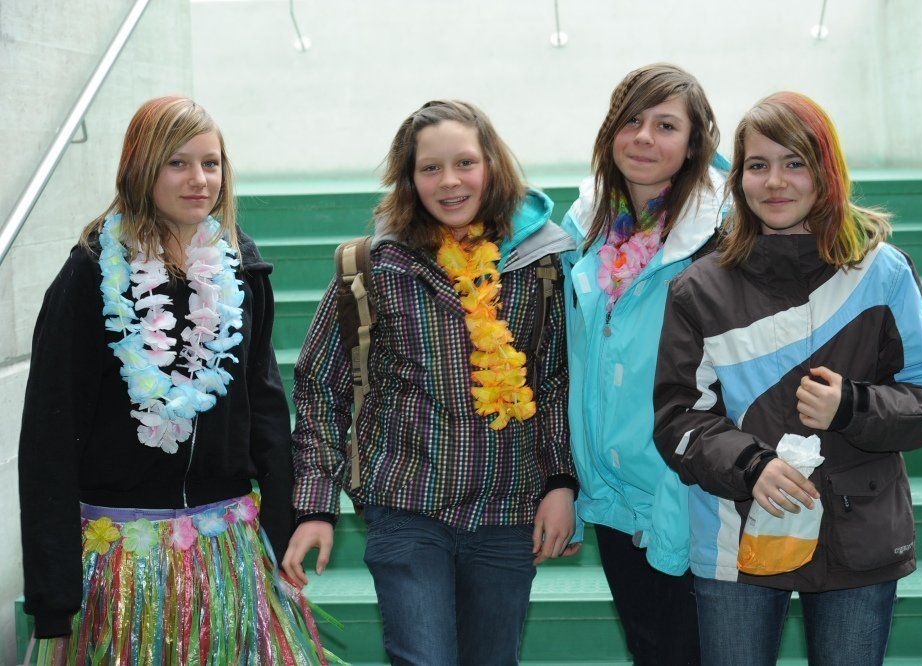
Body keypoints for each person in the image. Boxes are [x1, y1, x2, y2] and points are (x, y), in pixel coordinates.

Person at [652, 91, 922, 666]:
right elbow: (678, 420)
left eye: (795, 163)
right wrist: (750, 465)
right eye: (758, 164)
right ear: (738, 178)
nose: (775, 182)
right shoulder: (699, 288)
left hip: (859, 534)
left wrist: (854, 407)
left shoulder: (883, 271)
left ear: (827, 171)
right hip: (736, 535)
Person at [18, 96, 327, 664]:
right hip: (120, 553)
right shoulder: (91, 271)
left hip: (225, 546)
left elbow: (263, 404)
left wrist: (283, 527)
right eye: (177, 163)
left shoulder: (241, 265)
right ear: (141, 169)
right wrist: (53, 595)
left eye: (211, 163)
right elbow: (48, 433)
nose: (198, 180)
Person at [283, 100, 578, 665]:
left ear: (492, 165)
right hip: (406, 507)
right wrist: (316, 505)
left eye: (465, 163)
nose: (449, 181)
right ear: (408, 178)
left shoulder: (538, 265)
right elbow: (321, 387)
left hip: (507, 511)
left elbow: (555, 382)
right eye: (430, 168)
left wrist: (560, 482)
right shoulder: (374, 268)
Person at [561, 63, 726, 664]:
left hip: (690, 487)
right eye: (631, 121)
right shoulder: (585, 228)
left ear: (693, 145)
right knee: (652, 649)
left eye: (666, 126)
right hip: (614, 492)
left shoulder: (721, 234)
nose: (644, 138)